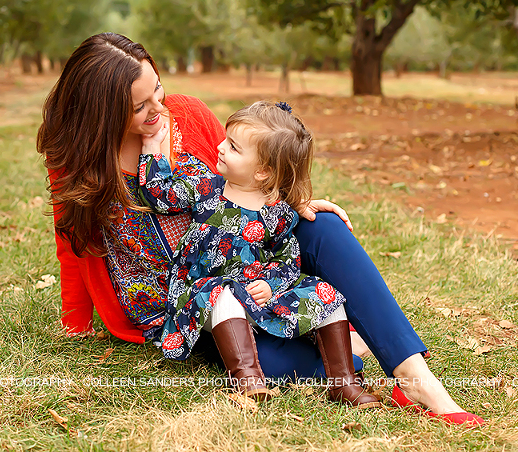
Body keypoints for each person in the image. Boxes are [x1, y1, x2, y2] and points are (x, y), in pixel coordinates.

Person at [36, 32, 484, 426]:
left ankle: (416, 379)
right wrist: (75, 324)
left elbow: (246, 176)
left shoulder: (187, 115)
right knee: (262, 364)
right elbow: (71, 242)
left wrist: (294, 202)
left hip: (246, 254)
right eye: (140, 106)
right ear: (102, 112)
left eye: (159, 90)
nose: (159, 108)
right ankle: (355, 348)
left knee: (321, 224)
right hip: (190, 297)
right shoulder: (77, 160)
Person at [136, 100, 380, 408]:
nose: (220, 147)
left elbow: (287, 259)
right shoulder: (207, 187)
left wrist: (272, 285)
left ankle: (343, 383)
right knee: (222, 296)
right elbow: (162, 193)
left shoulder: (277, 212)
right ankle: (248, 380)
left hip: (257, 291)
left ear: (263, 172)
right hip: (205, 289)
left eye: (234, 147)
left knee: (326, 295)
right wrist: (151, 148)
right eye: (225, 139)